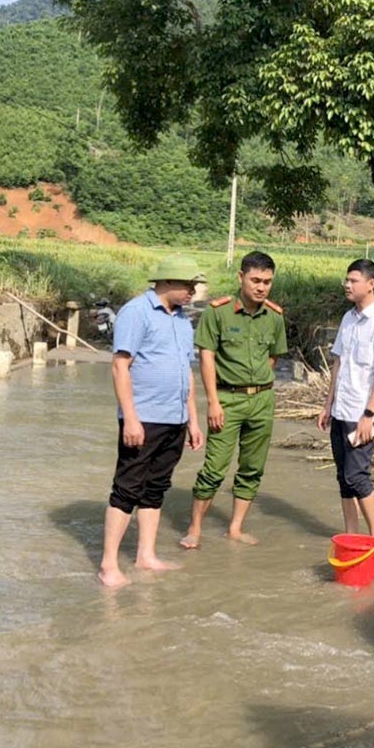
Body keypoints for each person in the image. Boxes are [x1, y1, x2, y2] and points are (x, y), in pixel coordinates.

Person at [98, 254, 206, 588]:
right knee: (127, 488)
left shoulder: (182, 320)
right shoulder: (136, 312)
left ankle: (146, 555)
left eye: (193, 286)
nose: (192, 292)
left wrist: (193, 419)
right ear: (167, 282)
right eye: (187, 286)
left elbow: (185, 371)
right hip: (143, 418)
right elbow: (120, 366)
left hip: (174, 417)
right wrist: (130, 418)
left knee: (155, 488)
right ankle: (108, 565)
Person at [179, 251, 288, 549]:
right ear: (241, 278)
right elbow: (206, 358)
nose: (261, 287)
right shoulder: (218, 312)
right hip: (227, 400)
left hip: (262, 400)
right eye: (255, 280)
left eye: (267, 282)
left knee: (252, 467)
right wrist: (213, 402)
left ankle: (235, 528)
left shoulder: (275, 316)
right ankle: (195, 528)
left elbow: (273, 357)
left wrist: (258, 388)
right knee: (215, 467)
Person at [316, 259, 374, 541]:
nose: (347, 285)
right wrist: (328, 405)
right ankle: (350, 534)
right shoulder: (348, 318)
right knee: (343, 478)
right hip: (341, 409)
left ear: (371, 284)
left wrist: (369, 415)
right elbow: (338, 364)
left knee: (357, 477)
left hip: (361, 413)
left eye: (353, 281)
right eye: (346, 280)